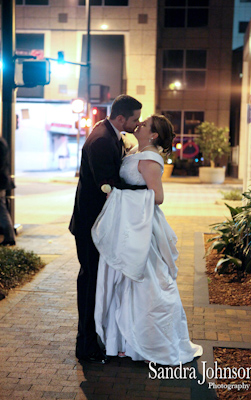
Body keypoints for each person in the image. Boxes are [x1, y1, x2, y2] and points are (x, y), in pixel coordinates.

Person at [92, 115, 203, 365]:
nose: (140, 124)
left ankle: (141, 344)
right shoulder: (136, 151)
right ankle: (122, 343)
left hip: (141, 228)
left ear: (153, 135)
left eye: (146, 124)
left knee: (144, 283)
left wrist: (119, 195)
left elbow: (158, 196)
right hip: (130, 224)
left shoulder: (150, 158)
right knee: (125, 283)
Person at [69, 94, 143, 364]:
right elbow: (109, 185)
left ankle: (91, 338)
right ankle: (85, 344)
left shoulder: (110, 133)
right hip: (91, 224)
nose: (139, 123)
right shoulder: (102, 139)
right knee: (89, 281)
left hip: (96, 223)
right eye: (135, 119)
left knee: (92, 280)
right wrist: (144, 189)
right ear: (121, 118)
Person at [0, 137, 16, 247]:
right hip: (1, 180)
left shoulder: (0, 143)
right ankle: (9, 237)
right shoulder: (2, 142)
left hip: (0, 180)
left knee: (1, 208)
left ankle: (9, 237)